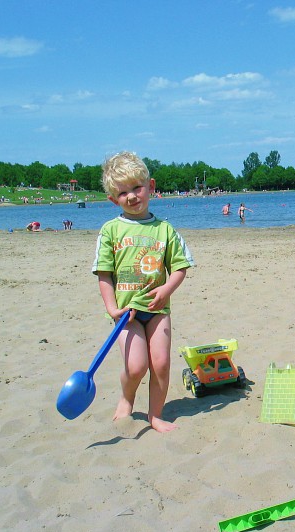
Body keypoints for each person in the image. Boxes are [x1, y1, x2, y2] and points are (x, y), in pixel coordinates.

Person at [93, 151, 194, 433]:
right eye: (123, 192)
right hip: (127, 314)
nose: (132, 196)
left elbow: (180, 267)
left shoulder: (165, 230)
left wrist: (166, 288)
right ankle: (127, 398)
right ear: (114, 199)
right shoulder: (110, 230)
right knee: (136, 366)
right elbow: (104, 274)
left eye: (137, 188)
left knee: (160, 364)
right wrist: (113, 310)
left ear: (150, 187)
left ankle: (155, 415)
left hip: (158, 310)